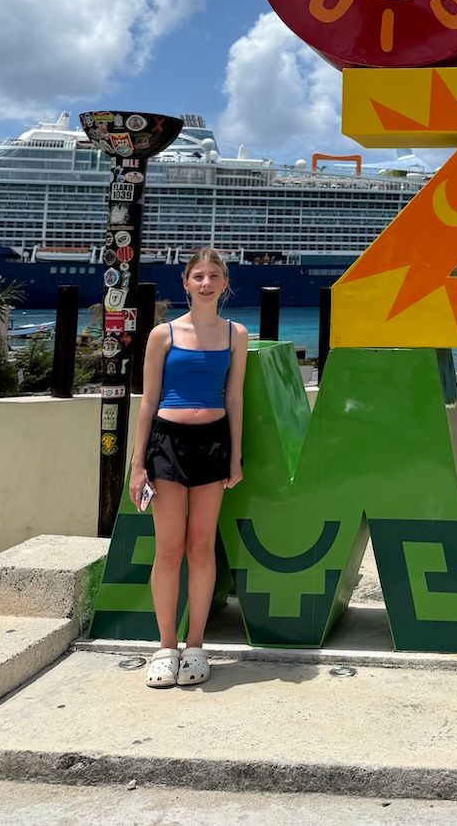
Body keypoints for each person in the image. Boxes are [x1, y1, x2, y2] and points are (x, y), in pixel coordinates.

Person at [129, 249, 248, 689]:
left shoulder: (236, 334)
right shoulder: (162, 334)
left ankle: (195, 644)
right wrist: (137, 464)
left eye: (214, 276)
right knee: (169, 548)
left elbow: (234, 397)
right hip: (167, 444)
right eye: (198, 276)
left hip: (213, 443)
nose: (206, 283)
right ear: (185, 282)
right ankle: (165, 647)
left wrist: (234, 456)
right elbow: (148, 400)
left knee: (201, 547)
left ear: (224, 283)